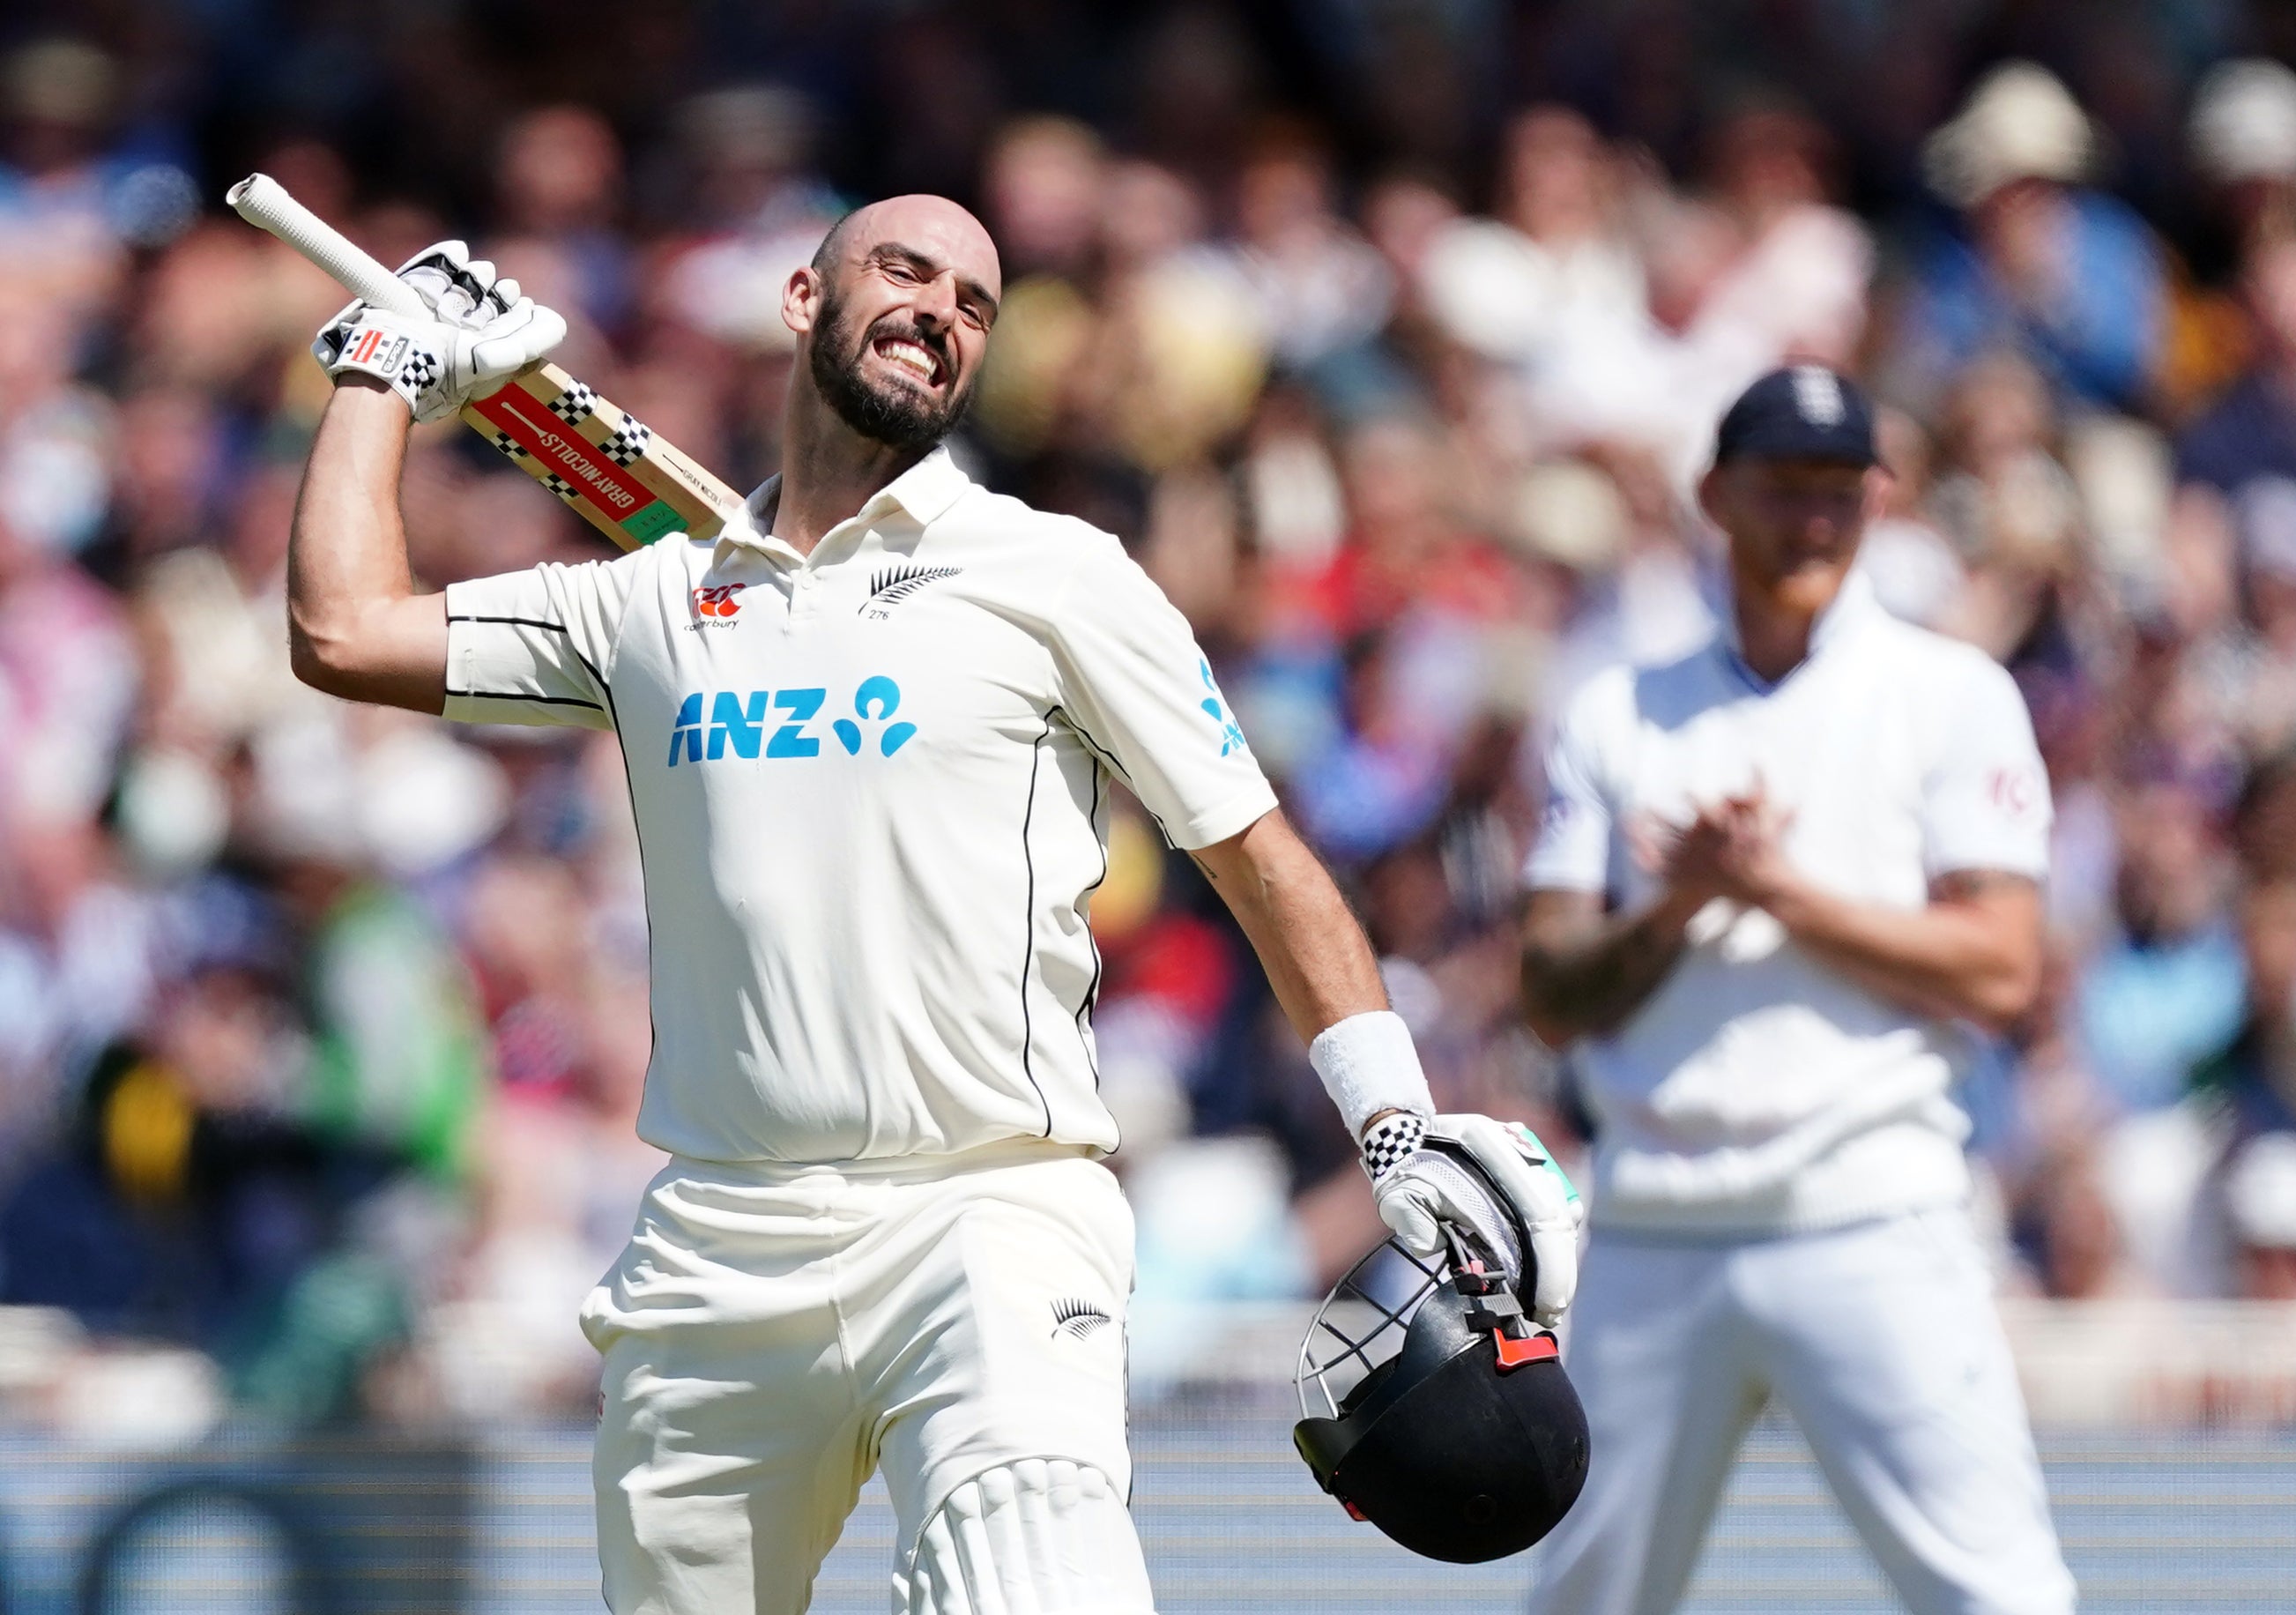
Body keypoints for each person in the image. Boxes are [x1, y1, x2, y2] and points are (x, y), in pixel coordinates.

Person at [279, 197, 1575, 1613]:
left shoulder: (1055, 576)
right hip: (722, 1231)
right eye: (906, 272)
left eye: (975, 303)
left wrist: (1393, 1122)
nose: (942, 311)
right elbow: (343, 632)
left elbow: (1256, 856)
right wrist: (383, 369)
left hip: (990, 1211)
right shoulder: (649, 604)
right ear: (800, 296)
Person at [1519, 365, 2077, 1615]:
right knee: (1585, 1602)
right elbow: (1550, 991)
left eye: (1838, 490)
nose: (1812, 520)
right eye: (1783, 488)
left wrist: (1776, 892)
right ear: (1715, 495)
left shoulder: (1952, 695)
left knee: (2002, 1598)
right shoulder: (1618, 710)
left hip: (1872, 1207)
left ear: (1879, 496)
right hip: (1658, 1218)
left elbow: (2003, 966)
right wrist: (1681, 902)